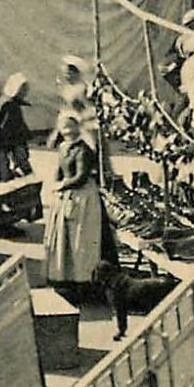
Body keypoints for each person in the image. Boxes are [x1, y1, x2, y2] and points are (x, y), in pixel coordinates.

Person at [43, 114, 114, 291]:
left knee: (82, 238)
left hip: (83, 196)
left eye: (71, 132)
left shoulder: (83, 150)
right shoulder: (63, 148)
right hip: (66, 195)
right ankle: (65, 276)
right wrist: (55, 183)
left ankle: (84, 279)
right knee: (64, 237)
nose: (68, 136)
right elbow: (60, 170)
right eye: (65, 132)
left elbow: (81, 176)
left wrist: (62, 185)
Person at [0, 73, 34, 188]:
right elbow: (10, 130)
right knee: (8, 174)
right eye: (22, 90)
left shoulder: (2, 103)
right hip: (4, 145)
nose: (24, 93)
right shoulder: (9, 106)